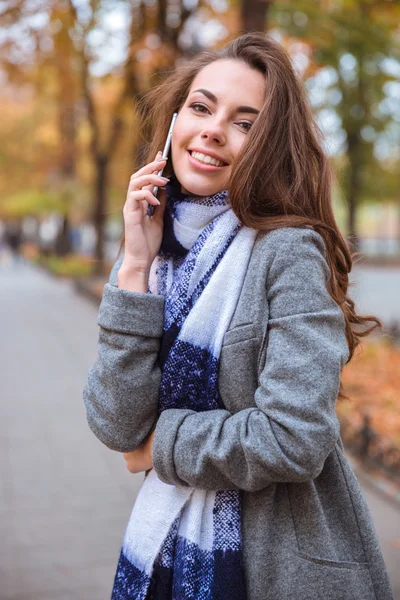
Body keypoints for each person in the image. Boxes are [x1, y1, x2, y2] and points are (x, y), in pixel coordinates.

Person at [83, 32, 393, 600]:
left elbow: (294, 436)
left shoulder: (289, 249)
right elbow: (116, 425)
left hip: (277, 565)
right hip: (168, 557)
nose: (214, 130)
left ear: (269, 147)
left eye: (245, 124)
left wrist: (161, 448)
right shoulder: (156, 253)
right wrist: (132, 266)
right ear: (175, 122)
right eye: (202, 107)